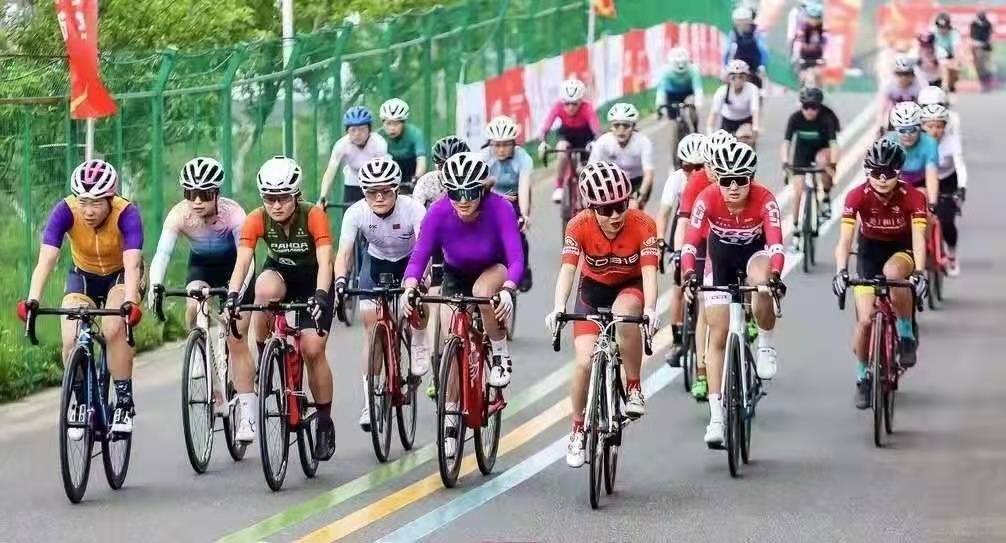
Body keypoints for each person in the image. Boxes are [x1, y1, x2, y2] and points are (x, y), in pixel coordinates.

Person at [401, 152, 523, 457]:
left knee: (482, 292)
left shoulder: (500, 208)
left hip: (493, 268)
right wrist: (410, 285)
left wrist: (508, 289)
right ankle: (451, 419)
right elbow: (419, 256)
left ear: (482, 189)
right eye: (455, 193)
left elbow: (516, 258)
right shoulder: (439, 211)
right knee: (450, 341)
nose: (463, 200)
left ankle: (499, 353)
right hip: (455, 274)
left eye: (470, 192)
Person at [545, 161, 660, 468]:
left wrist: (650, 309)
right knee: (583, 362)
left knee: (625, 314)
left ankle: (633, 387)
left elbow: (650, 274)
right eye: (606, 210)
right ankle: (577, 429)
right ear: (591, 208)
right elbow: (568, 270)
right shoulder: (578, 225)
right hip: (593, 292)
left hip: (630, 287)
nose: (615, 215)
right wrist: (558, 307)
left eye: (621, 205)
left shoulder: (644, 224)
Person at [18, 159, 144, 435]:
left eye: (96, 203)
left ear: (110, 198)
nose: (88, 211)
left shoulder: (126, 214)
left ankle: (124, 403)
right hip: (83, 276)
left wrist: (131, 302)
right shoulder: (65, 210)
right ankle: (80, 400)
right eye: (83, 201)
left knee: (114, 329)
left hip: (120, 276)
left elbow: (133, 263)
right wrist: (32, 300)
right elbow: (47, 258)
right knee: (71, 337)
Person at [226, 156, 337, 461]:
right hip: (281, 275)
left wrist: (321, 295)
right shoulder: (256, 218)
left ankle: (324, 421)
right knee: (263, 291)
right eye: (269, 198)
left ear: (296, 195)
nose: (276, 205)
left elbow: (326, 261)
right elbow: (243, 262)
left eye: (283, 198)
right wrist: (233, 294)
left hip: (314, 281)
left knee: (313, 349)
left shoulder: (313, 215)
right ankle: (265, 352)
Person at [680, 141, 786, 447]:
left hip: (755, 256)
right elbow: (690, 243)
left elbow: (776, 245)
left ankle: (765, 345)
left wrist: (775, 276)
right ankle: (716, 417)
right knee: (717, 334)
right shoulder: (706, 198)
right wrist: (689, 275)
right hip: (721, 260)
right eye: (727, 180)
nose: (734, 187)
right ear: (717, 180)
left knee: (762, 283)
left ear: (751, 178)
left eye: (741, 179)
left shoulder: (765, 199)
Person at [148, 157, 258, 441]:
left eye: (204, 194)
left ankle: (248, 416)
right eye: (190, 193)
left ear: (217, 193)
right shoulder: (179, 214)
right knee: (193, 306)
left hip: (236, 268)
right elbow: (162, 254)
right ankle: (201, 351)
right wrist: (155, 285)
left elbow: (246, 259)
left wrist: (235, 295)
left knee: (236, 339)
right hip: (201, 267)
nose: (196, 201)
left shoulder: (234, 214)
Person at [333, 157, 427, 431]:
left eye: (385, 191)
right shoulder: (356, 213)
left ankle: (418, 340)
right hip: (375, 264)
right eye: (372, 191)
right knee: (372, 329)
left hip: (410, 261)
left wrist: (418, 281)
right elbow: (344, 252)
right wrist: (340, 281)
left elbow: (424, 248)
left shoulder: (413, 208)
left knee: (416, 303)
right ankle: (370, 402)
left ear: (396, 189)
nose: (379, 197)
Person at [833, 138, 929, 408]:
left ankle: (906, 332)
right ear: (867, 172)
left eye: (888, 173)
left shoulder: (913, 197)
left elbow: (919, 239)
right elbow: (845, 241)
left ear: (899, 172)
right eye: (876, 173)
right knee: (865, 322)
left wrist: (920, 272)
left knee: (893, 273)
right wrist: (841, 271)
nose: (882, 179)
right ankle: (863, 376)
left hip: (901, 249)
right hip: (868, 254)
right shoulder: (856, 196)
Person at [674, 130, 736, 401]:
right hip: (702, 243)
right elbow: (684, 223)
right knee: (703, 303)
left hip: (731, 241)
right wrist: (680, 254)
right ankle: (701, 372)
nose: (715, 170)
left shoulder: (738, 179)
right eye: (710, 164)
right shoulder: (696, 182)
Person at [656, 133, 706, 368]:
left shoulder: (711, 179)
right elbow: (664, 214)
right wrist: (660, 242)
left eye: (699, 166)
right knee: (678, 285)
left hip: (706, 228)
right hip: (683, 227)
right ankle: (677, 341)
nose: (693, 172)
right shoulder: (676, 180)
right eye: (687, 167)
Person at [781, 86, 839, 250]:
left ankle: (825, 197)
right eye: (806, 106)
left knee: (823, 161)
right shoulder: (795, 118)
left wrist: (832, 164)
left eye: (814, 107)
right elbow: (786, 143)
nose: (810, 111)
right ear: (801, 106)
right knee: (798, 191)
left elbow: (834, 145)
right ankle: (796, 230)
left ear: (819, 107)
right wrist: (785, 163)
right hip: (802, 154)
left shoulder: (827, 118)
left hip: (822, 151)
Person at [482, 115, 535, 292]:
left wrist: (524, 215)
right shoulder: (484, 157)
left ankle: (523, 268)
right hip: (491, 198)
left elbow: (524, 185)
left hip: (515, 198)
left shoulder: (523, 158)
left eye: (506, 144)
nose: (501, 149)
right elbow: (478, 185)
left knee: (518, 231)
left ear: (513, 143)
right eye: (497, 145)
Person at [920, 103, 968, 277]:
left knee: (947, 220)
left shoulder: (952, 141)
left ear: (945, 127)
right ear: (923, 126)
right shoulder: (919, 142)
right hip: (924, 178)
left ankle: (952, 253)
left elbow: (960, 166)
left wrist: (962, 188)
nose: (935, 131)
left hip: (947, 180)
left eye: (939, 126)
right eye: (930, 126)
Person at [537, 78, 602, 204]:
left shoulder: (587, 107)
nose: (570, 107)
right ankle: (559, 186)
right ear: (562, 101)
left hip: (585, 137)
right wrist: (543, 139)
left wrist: (598, 141)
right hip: (567, 135)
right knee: (562, 149)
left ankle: (588, 190)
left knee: (586, 165)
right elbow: (546, 125)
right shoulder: (557, 106)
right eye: (567, 103)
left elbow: (596, 129)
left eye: (574, 103)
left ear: (581, 101)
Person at [588, 102, 655, 209]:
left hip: (638, 181)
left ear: (633, 127)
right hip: (614, 181)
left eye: (626, 125)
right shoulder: (603, 141)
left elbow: (649, 174)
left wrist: (641, 194)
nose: (621, 130)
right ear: (611, 127)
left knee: (633, 207)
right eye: (616, 125)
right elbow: (590, 170)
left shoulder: (643, 142)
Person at [319, 106, 389, 207]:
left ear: (369, 130)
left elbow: (384, 173)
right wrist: (322, 197)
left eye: (362, 129)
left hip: (375, 182)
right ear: (347, 131)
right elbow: (330, 172)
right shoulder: (341, 145)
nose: (357, 134)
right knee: (349, 214)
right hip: (353, 182)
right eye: (353, 130)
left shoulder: (379, 143)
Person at [887, 101, 939, 209]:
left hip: (919, 185)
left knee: (923, 196)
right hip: (894, 183)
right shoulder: (888, 142)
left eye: (912, 129)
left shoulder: (930, 142)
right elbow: (881, 175)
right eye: (902, 130)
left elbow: (931, 175)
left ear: (920, 127)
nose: (907, 135)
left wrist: (933, 204)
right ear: (895, 129)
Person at [378, 98, 427, 194]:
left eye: (396, 123)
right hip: (389, 170)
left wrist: (416, 178)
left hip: (411, 169)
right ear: (383, 123)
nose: (392, 128)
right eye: (388, 123)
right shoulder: (378, 136)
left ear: (403, 123)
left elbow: (421, 160)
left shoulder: (415, 133)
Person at [707, 59, 762, 143]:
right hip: (727, 121)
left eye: (741, 77)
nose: (737, 80)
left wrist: (755, 129)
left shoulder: (752, 89)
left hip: (745, 121)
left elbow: (755, 111)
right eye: (734, 77)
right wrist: (709, 134)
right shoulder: (722, 91)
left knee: (744, 138)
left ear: (746, 78)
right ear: (728, 78)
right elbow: (713, 113)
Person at [655, 47, 705, 134]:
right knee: (672, 118)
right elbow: (661, 90)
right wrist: (659, 105)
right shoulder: (665, 71)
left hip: (688, 93)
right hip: (671, 95)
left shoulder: (693, 69)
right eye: (677, 64)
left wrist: (698, 102)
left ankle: (695, 130)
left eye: (683, 63)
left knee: (691, 105)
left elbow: (697, 88)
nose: (680, 66)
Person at [724, 6, 769, 89]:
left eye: (743, 22)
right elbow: (727, 51)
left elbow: (763, 50)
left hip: (755, 63)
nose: (741, 25)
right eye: (738, 22)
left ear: (749, 21)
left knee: (759, 80)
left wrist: (762, 65)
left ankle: (759, 93)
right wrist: (725, 66)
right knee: (729, 80)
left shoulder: (756, 32)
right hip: (739, 61)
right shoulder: (733, 33)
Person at [879, 54, 923, 135]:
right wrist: (881, 124)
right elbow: (882, 107)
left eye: (907, 74)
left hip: (913, 118)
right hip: (894, 117)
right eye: (900, 74)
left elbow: (922, 107)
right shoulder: (888, 86)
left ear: (913, 75)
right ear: (895, 74)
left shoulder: (918, 87)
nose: (903, 78)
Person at [791, 2, 827, 88]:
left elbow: (826, 43)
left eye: (817, 18)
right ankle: (801, 93)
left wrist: (826, 56)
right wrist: (796, 54)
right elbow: (798, 42)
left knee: (818, 74)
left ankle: (819, 92)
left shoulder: (822, 29)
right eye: (812, 18)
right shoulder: (803, 27)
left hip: (818, 57)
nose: (814, 21)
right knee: (803, 77)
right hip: (804, 56)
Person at [932, 12, 962, 93]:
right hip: (934, 59)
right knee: (943, 64)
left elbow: (957, 51)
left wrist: (956, 63)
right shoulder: (932, 32)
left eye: (944, 27)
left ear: (948, 26)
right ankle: (944, 86)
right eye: (939, 27)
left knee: (955, 67)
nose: (941, 29)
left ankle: (949, 85)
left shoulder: (954, 34)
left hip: (949, 58)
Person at [970, 11, 994, 91]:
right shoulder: (974, 24)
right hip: (976, 48)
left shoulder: (988, 24)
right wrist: (976, 44)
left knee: (986, 66)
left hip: (986, 48)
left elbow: (990, 36)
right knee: (979, 67)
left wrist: (985, 43)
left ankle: (987, 84)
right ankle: (983, 84)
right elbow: (972, 36)